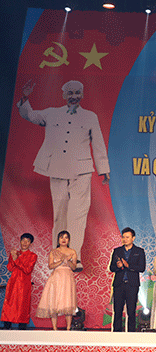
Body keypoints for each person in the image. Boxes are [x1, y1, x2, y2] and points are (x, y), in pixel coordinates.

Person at [18, 81, 110, 267]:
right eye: (70, 93)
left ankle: (75, 256)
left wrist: (104, 170)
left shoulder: (90, 116)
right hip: (58, 168)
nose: (73, 96)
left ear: (82, 95)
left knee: (78, 213)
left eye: (77, 92)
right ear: (63, 95)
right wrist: (25, 97)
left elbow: (98, 142)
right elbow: (30, 115)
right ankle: (58, 256)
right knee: (60, 214)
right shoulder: (52, 113)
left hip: (82, 171)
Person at [36, 230, 78, 330]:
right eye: (61, 237)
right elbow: (50, 266)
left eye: (66, 237)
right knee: (54, 301)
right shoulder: (53, 252)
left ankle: (68, 328)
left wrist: (67, 261)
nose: (63, 239)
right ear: (58, 239)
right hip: (56, 277)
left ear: (69, 240)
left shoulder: (72, 252)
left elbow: (74, 267)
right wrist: (61, 260)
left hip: (67, 277)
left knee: (68, 302)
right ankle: (55, 328)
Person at [108, 227, 146, 332]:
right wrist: (119, 266)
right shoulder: (117, 251)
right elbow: (111, 268)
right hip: (119, 284)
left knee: (131, 311)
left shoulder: (139, 251)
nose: (125, 239)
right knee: (118, 311)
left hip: (132, 285)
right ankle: (117, 334)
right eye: (123, 237)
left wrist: (128, 265)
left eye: (127, 237)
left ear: (133, 238)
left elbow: (141, 268)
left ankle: (131, 334)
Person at [1, 233, 38, 330]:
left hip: (24, 284)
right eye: (23, 240)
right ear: (20, 241)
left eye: (27, 241)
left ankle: (22, 329)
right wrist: (13, 257)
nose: (25, 242)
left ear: (30, 243)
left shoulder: (33, 256)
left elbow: (27, 270)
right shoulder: (15, 253)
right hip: (13, 282)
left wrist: (16, 259)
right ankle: (6, 328)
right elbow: (10, 267)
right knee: (9, 305)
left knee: (23, 306)